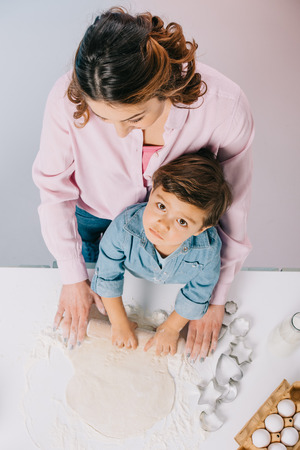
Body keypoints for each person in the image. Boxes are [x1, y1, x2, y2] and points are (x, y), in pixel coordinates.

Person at [32, 7, 254, 361]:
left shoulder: (224, 109)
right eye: (103, 119)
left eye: (134, 117)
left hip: (178, 230)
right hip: (93, 215)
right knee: (97, 293)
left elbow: (233, 205)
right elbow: (54, 187)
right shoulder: (65, 96)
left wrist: (216, 295)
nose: (119, 132)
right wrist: (73, 276)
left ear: (164, 87)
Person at [91, 150, 232, 357]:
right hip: (135, 274)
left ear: (202, 229)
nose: (162, 224)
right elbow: (107, 274)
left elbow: (198, 293)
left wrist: (171, 329)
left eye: (182, 221)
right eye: (161, 206)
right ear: (153, 189)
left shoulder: (207, 250)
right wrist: (119, 323)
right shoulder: (124, 227)